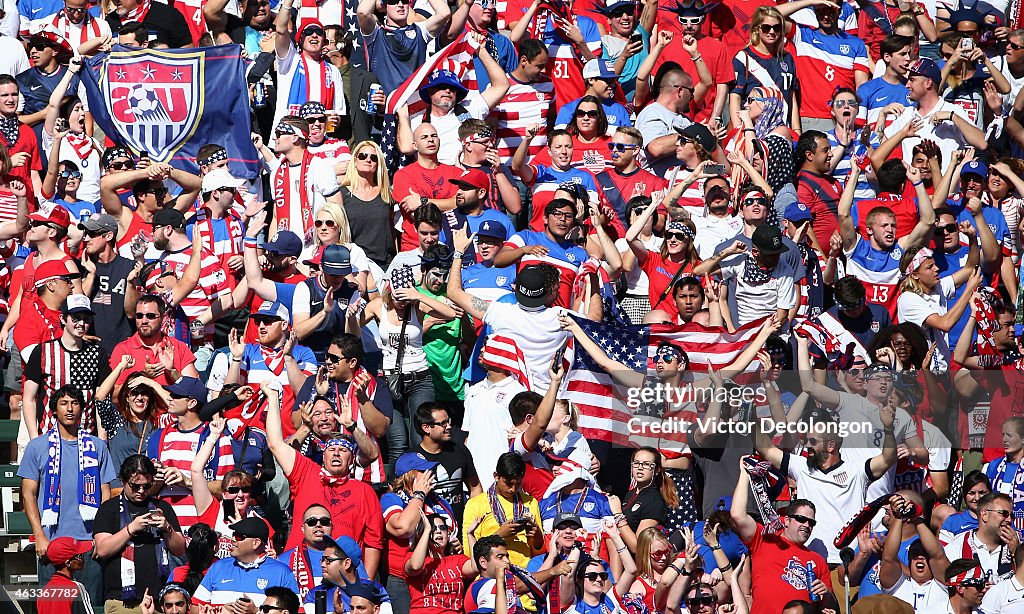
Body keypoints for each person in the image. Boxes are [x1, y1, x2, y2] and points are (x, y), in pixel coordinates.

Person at [264, 380, 384, 576]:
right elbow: (276, 444)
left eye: (343, 450)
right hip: (299, 572)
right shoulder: (306, 472)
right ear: (324, 455)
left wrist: (365, 584)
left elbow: (374, 543)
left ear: (352, 460)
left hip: (344, 576)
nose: (336, 454)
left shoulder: (365, 491)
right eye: (332, 450)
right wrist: (272, 397)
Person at [20, 385, 115, 605]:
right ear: (54, 410)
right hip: (52, 544)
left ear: (82, 409)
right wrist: (40, 536)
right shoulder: (38, 447)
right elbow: (28, 495)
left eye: (75, 403)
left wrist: (101, 536)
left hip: (89, 546)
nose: (70, 409)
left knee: (89, 607)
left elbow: (106, 494)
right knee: (54, 608)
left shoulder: (97, 446)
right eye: (64, 403)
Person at [730, 468, 838, 612]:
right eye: (801, 519)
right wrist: (744, 473)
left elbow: (828, 609)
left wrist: (827, 594)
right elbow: (737, 515)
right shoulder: (765, 540)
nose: (806, 525)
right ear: (786, 521)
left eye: (811, 523)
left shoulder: (818, 561)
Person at [92, 455, 187, 612]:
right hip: (122, 601)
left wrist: (167, 527)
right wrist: (130, 529)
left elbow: (180, 549)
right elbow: (102, 550)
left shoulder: (162, 507)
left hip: (158, 600)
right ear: (123, 481)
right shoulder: (109, 509)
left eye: (147, 486)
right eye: (135, 486)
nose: (142, 491)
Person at [192, 517, 299, 607]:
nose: (233, 539)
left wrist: (256, 612)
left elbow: (295, 611)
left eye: (239, 536)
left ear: (256, 543)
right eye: (233, 534)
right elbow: (195, 608)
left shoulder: (282, 573)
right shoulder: (218, 567)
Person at [463, 452, 544, 568]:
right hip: (491, 574)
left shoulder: (531, 503)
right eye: (508, 483)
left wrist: (537, 539)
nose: (513, 489)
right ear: (496, 476)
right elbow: (468, 552)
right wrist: (498, 536)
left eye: (518, 484)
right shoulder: (475, 504)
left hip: (525, 571)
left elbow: (538, 553)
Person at [272, 20, 346, 127]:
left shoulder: (333, 71)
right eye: (308, 32)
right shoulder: (289, 61)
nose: (314, 35)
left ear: (323, 41)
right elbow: (280, 30)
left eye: (319, 32)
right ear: (301, 39)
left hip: (320, 137)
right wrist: (288, 4)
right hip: (289, 136)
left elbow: (338, 113)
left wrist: (334, 121)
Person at [38, 537, 95, 614]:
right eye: (79, 556)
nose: (83, 559)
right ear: (68, 563)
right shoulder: (75, 588)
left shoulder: (43, 592)